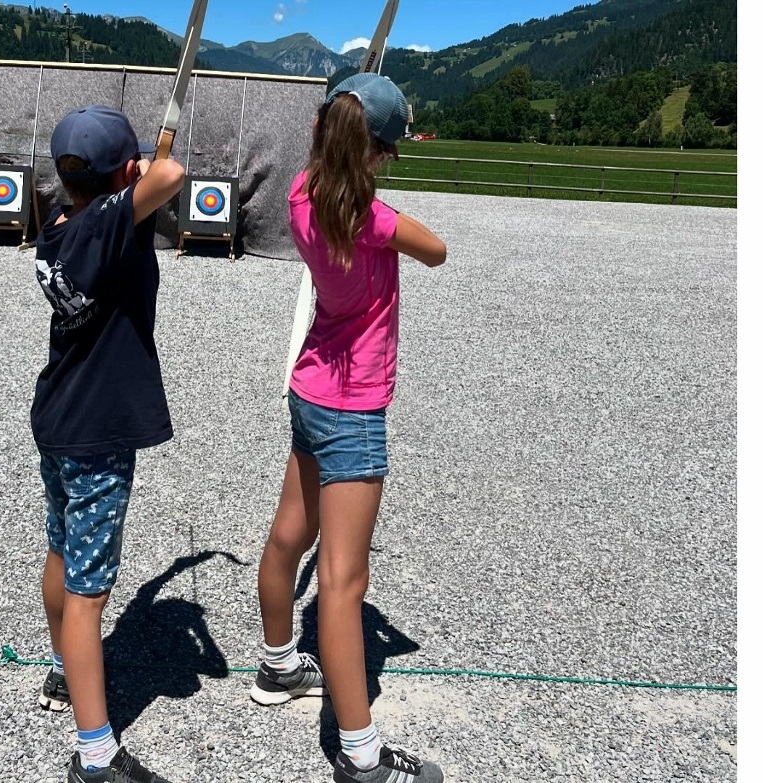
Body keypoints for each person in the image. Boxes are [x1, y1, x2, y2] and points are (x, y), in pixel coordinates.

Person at [251, 72, 448, 783]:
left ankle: (278, 665)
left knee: (287, 537)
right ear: (376, 153)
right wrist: (373, 180)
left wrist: (349, 141)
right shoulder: (375, 218)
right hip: (354, 409)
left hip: (310, 389)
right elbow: (438, 249)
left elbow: (332, 163)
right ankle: (361, 757)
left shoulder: (302, 193)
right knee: (341, 580)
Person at [30, 104, 185, 783]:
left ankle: (65, 669)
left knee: (61, 551)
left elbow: (144, 188)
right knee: (90, 594)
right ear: (122, 173)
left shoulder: (59, 227)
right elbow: (172, 172)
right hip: (97, 435)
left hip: (60, 419)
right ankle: (95, 754)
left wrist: (128, 175)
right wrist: (145, 168)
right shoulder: (104, 226)